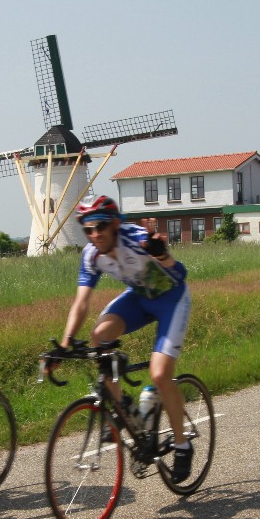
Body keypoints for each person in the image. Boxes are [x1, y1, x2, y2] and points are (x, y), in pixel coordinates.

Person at [49, 195, 195, 481]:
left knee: (160, 374)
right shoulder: (91, 254)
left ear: (115, 224)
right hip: (139, 298)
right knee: (98, 336)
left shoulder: (136, 238)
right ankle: (124, 409)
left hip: (171, 300)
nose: (95, 234)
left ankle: (182, 445)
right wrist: (65, 343)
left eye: (101, 226)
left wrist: (161, 254)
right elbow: (81, 302)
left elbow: (180, 273)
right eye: (88, 229)